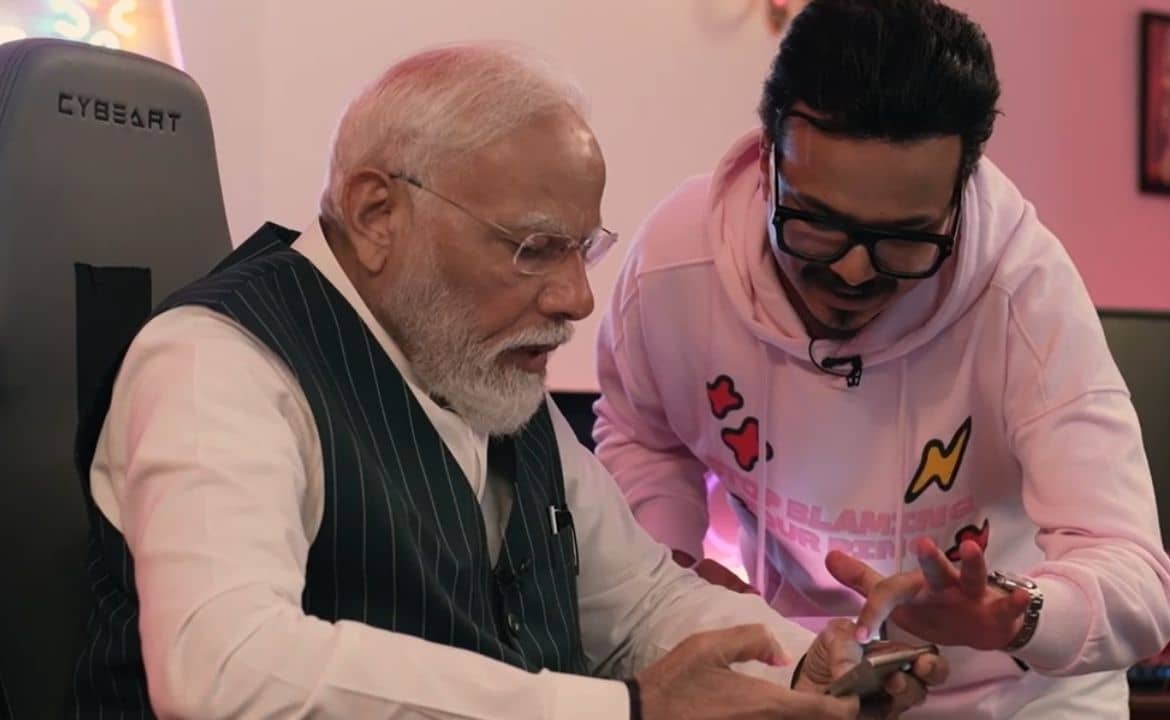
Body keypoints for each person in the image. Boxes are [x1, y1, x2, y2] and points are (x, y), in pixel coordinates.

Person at [66, 43, 946, 719]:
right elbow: (224, 668)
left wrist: (800, 670)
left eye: (580, 248)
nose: (576, 298)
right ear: (377, 213)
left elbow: (639, 604)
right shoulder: (215, 363)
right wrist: (622, 711)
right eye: (533, 248)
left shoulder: (481, 363)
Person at [592, 1, 1170, 717]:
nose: (851, 271)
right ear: (768, 159)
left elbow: (1140, 582)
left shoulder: (1024, 292)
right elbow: (643, 436)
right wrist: (672, 575)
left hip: (1019, 695)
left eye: (905, 238)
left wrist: (1013, 614)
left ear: (960, 193)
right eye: (815, 224)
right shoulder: (676, 265)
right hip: (804, 672)